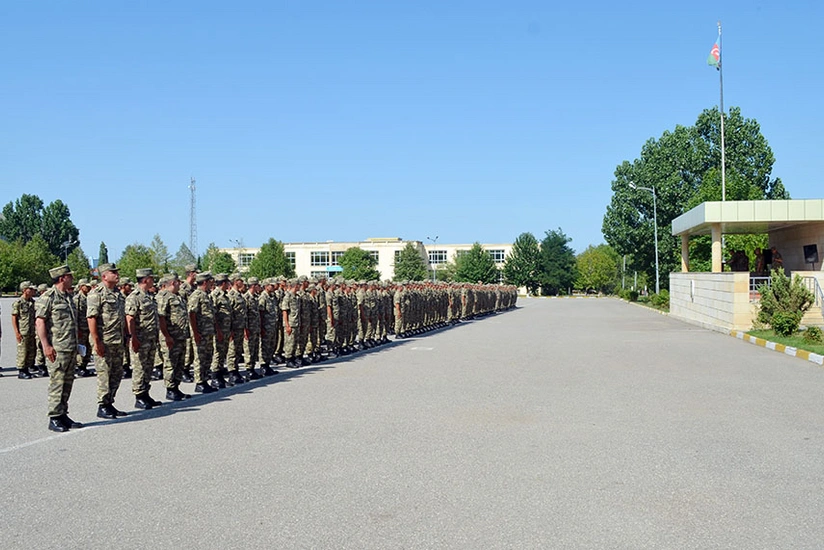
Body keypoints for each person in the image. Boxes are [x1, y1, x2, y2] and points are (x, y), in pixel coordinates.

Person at [35, 265, 83, 432]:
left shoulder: (68, 297)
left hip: (70, 347)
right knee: (57, 382)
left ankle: (63, 414)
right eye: (70, 276)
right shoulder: (48, 297)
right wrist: (46, 345)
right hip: (57, 348)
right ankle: (54, 417)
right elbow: (40, 322)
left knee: (67, 382)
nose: (72, 278)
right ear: (62, 278)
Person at [87, 263, 129, 419]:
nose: (117, 275)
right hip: (104, 341)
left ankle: (110, 403)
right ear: (104, 276)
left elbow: (122, 317)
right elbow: (91, 318)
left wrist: (126, 335)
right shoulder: (96, 294)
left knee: (116, 373)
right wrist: (96, 341)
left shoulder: (118, 294)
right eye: (113, 273)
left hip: (117, 341)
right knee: (104, 374)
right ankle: (102, 405)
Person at [125, 268, 163, 409]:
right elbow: (130, 318)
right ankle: (139, 396)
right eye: (151, 278)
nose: (153, 281)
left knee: (148, 367)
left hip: (151, 338)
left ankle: (146, 393)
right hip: (140, 339)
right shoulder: (134, 297)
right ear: (146, 279)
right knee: (139, 367)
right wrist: (133, 337)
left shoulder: (149, 296)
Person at [156, 273, 192, 400]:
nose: (180, 284)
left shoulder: (178, 296)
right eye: (178, 282)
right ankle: (170, 389)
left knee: (179, 362)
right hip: (170, 336)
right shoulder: (164, 296)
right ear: (172, 283)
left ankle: (176, 387)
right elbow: (161, 317)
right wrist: (166, 336)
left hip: (180, 336)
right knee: (170, 362)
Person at [187, 271, 218, 393]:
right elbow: (192, 314)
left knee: (207, 356)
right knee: (200, 358)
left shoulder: (206, 295)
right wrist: (195, 333)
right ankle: (199, 382)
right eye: (210, 281)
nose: (212, 283)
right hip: (200, 332)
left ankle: (204, 380)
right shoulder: (196, 295)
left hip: (208, 332)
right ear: (205, 282)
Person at [12, 281, 37, 379]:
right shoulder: (18, 303)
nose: (32, 291)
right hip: (23, 331)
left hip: (32, 331)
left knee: (31, 351)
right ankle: (21, 370)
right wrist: (17, 332)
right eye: (30, 289)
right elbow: (14, 317)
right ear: (24, 290)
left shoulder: (32, 302)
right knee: (22, 351)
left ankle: (27, 368)